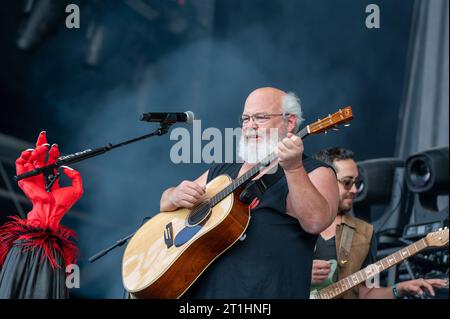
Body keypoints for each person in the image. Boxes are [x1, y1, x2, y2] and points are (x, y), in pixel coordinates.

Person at [159, 87, 339, 298]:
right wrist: (173, 195)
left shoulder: (314, 171)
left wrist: (294, 168)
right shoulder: (224, 169)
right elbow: (165, 203)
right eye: (245, 119)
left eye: (260, 118)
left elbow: (316, 221)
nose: (250, 126)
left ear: (289, 122)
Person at [312, 147, 447, 299]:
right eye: (347, 182)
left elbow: (366, 293)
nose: (355, 189)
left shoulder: (363, 233)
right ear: (324, 180)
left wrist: (398, 289)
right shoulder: (289, 225)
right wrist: (298, 276)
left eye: (356, 182)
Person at [0, 131, 83, 298]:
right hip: (33, 248)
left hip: (38, 250)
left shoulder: (43, 252)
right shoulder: (29, 248)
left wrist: (49, 202)